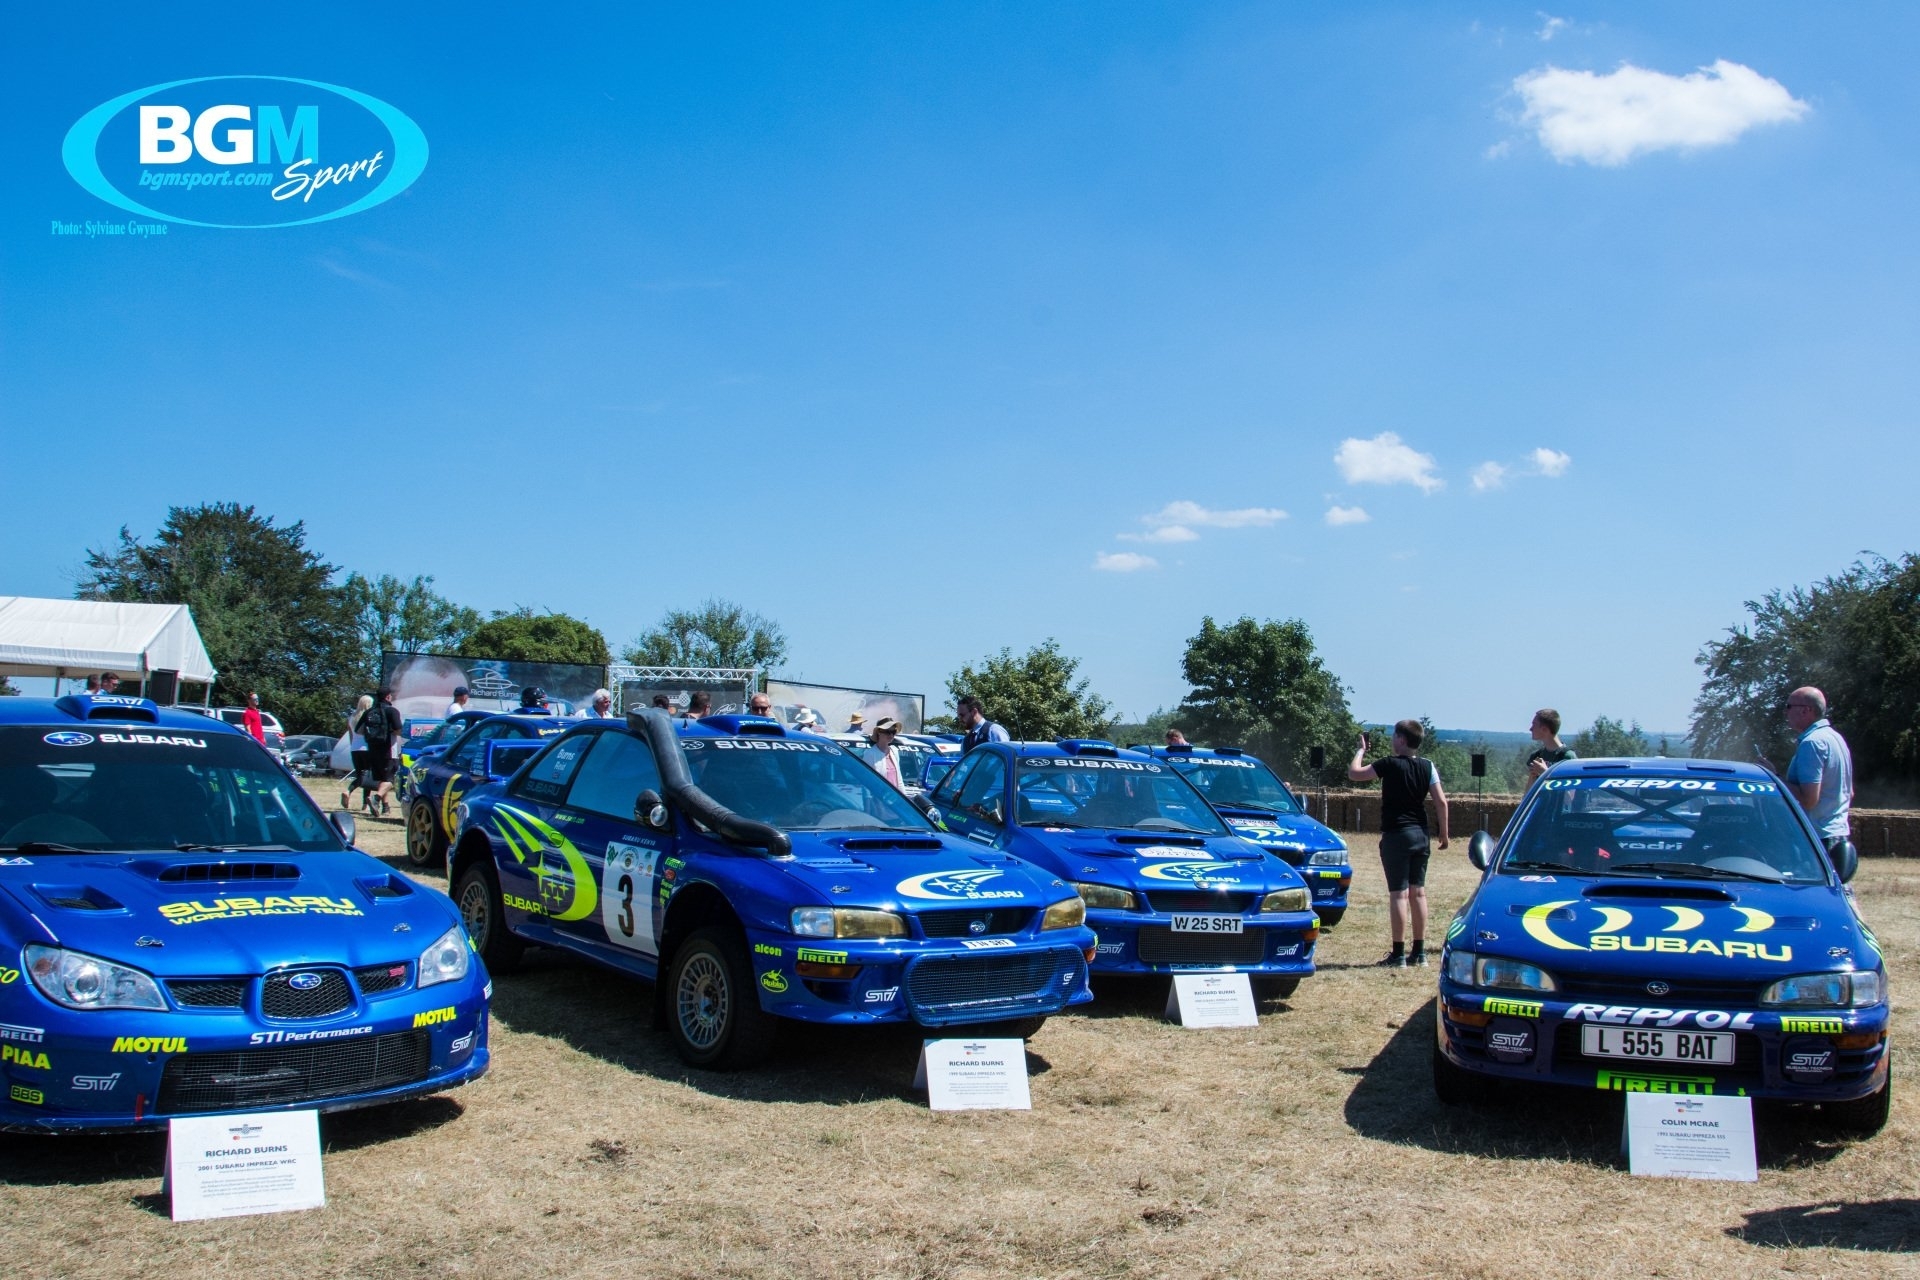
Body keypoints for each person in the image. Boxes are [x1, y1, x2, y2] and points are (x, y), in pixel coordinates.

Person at [1348, 720, 1449, 968]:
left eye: (1395, 736)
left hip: (1397, 834)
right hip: (1420, 834)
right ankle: (1421, 953)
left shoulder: (1389, 764)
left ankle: (1398, 954)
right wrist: (1444, 834)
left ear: (1402, 739)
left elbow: (1354, 773)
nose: (1393, 740)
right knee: (1419, 893)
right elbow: (1441, 802)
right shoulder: (1428, 766)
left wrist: (1361, 751)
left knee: (1399, 895)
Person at [1785, 687, 1854, 857]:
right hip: (1837, 834)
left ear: (1806, 711)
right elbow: (1849, 793)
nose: (1785, 712)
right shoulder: (1835, 738)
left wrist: (1774, 777)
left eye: (1789, 707)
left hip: (1817, 838)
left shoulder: (1812, 743)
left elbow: (1809, 800)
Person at [363, 687, 403, 816]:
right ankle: (376, 798)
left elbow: (359, 730)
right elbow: (399, 730)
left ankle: (385, 807)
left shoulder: (369, 711)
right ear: (388, 697)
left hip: (373, 748)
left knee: (382, 778)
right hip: (388, 748)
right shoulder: (392, 711)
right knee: (392, 778)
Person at [1524, 708, 1577, 781]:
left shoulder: (1567, 757)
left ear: (1545, 729)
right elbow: (1530, 789)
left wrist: (1545, 772)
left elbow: (1571, 790)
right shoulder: (1536, 756)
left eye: (1534, 724)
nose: (1531, 729)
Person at [342, 694, 375, 810]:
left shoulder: (351, 717)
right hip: (366, 748)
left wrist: (353, 746)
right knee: (367, 776)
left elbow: (351, 735)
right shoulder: (368, 717)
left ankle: (364, 803)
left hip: (354, 749)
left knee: (360, 773)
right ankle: (361, 799)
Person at [867, 716, 907, 790]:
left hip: (895, 798)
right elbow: (867, 779)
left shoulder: (894, 751)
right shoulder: (870, 753)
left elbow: (899, 779)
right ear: (879, 732)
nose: (891, 735)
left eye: (893, 732)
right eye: (887, 731)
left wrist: (904, 796)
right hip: (878, 798)